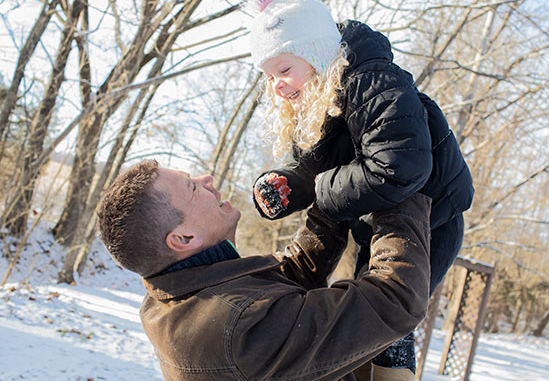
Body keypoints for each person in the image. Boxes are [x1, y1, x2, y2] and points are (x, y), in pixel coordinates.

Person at [248, 0, 474, 380]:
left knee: (388, 325)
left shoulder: (374, 81)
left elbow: (399, 166)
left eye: (283, 69)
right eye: (268, 77)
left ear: (315, 51)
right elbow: (311, 164)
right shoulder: (318, 100)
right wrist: (287, 184)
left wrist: (320, 189)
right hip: (377, 223)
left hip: (428, 223)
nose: (277, 86)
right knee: (363, 328)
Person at [97, 159, 432, 381]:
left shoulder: (180, 294)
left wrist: (328, 193)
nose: (207, 179)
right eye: (193, 188)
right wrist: (399, 183)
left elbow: (289, 283)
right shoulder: (236, 329)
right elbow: (395, 299)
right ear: (184, 238)